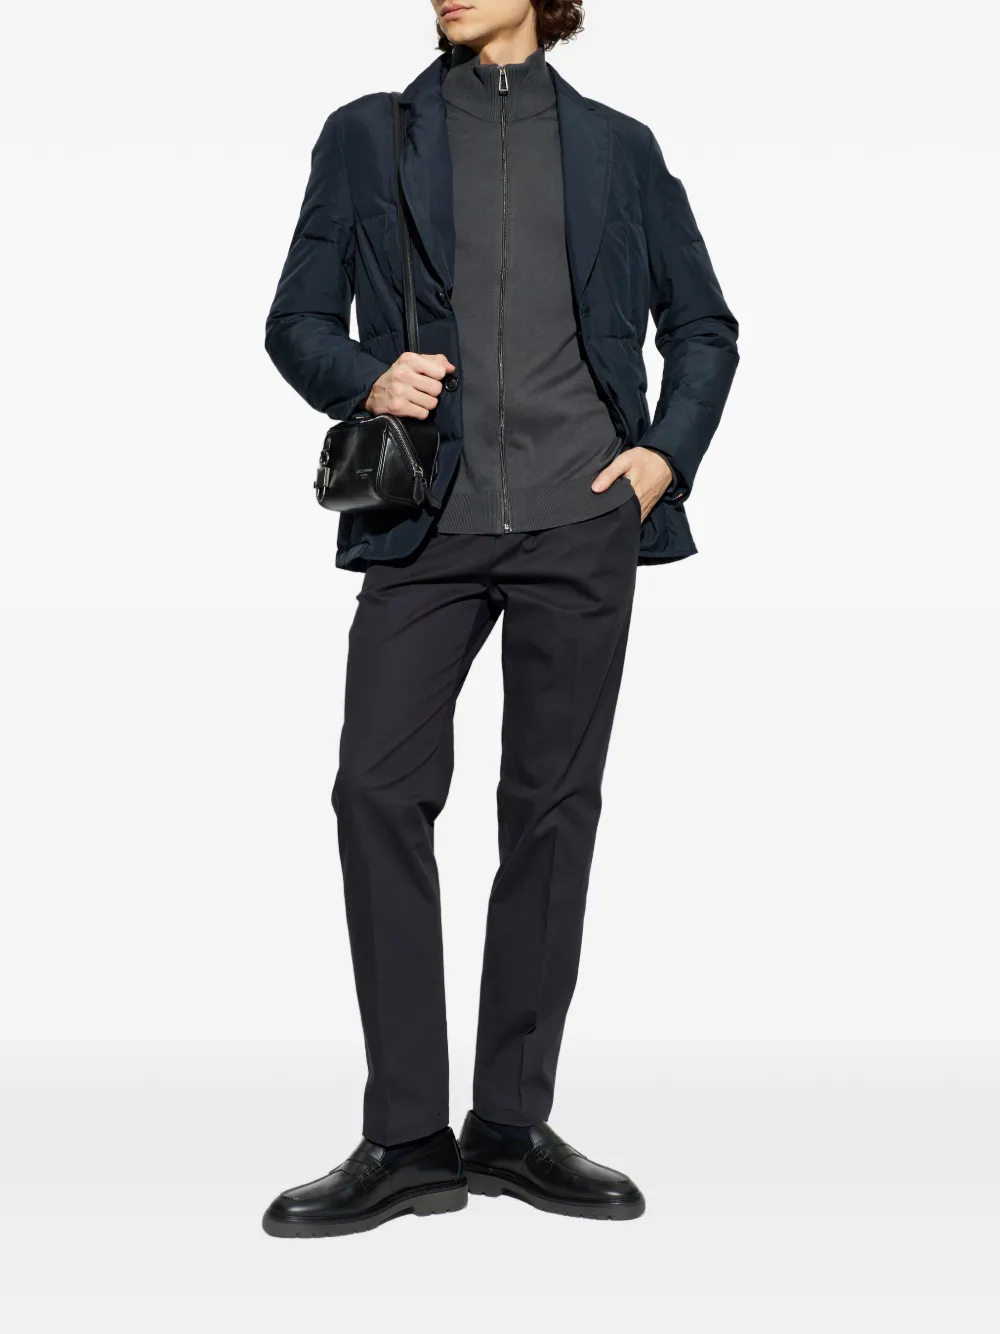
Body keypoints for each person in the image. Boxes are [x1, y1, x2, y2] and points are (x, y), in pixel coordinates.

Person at [261, 0, 739, 1238]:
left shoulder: (619, 146)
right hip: (424, 523)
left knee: (550, 809)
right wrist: (365, 374)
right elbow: (294, 320)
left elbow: (702, 325)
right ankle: (405, 1136)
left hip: (583, 518)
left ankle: (511, 1126)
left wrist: (662, 457)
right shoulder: (369, 133)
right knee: (375, 791)